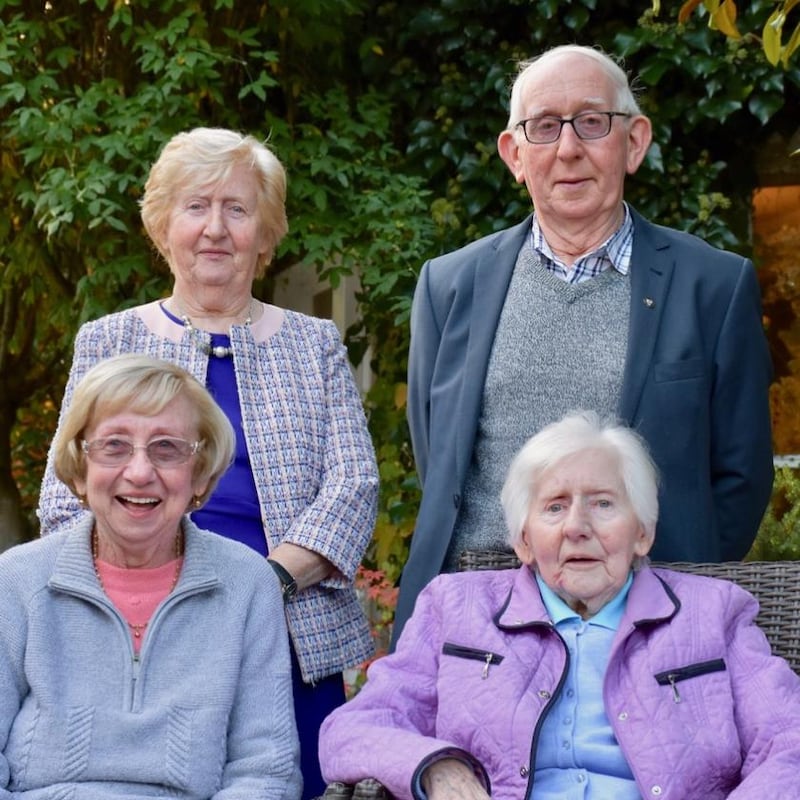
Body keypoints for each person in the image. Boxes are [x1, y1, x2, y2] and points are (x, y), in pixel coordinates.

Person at [37, 127, 379, 799]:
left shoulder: (313, 345)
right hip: (136, 633)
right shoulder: (109, 340)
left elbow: (354, 487)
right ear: (164, 227)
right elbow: (62, 495)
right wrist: (157, 594)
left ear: (265, 231)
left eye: (237, 208)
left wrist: (263, 585)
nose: (215, 228)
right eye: (196, 207)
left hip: (288, 632)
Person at [394, 43, 774, 642]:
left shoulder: (714, 286)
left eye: (591, 122)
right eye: (544, 127)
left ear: (635, 141)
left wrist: (657, 577)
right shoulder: (449, 286)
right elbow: (437, 452)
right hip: (478, 617)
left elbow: (741, 475)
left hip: (653, 619)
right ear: (514, 155)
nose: (567, 148)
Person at [319, 410, 800, 800]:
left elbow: (790, 741)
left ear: (643, 533)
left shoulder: (713, 614)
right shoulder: (456, 607)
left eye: (604, 503)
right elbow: (355, 727)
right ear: (524, 541)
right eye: (554, 506)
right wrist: (434, 768)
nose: (577, 526)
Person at [3, 354, 301, 798]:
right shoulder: (16, 580)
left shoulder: (247, 583)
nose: (140, 472)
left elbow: (266, 770)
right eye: (114, 446)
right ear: (80, 469)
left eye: (167, 448)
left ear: (198, 473)